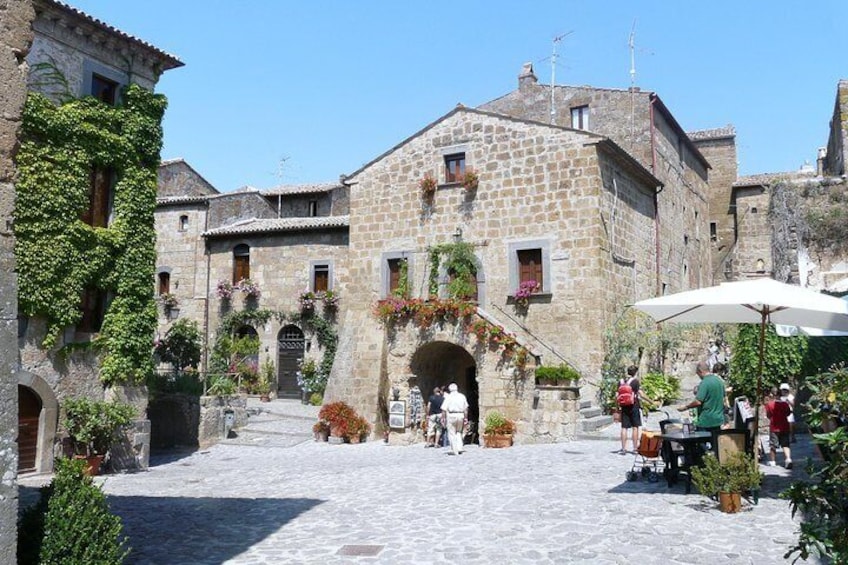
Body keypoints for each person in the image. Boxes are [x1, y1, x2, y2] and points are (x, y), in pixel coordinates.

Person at [679, 361, 726, 433]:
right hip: (717, 420)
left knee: (701, 442)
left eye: (698, 374)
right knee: (715, 442)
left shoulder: (705, 382)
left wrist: (686, 407)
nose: (699, 377)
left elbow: (698, 401)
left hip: (706, 421)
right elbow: (723, 398)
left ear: (700, 371)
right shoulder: (719, 381)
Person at [619, 365, 649, 454]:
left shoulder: (621, 381)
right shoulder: (635, 381)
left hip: (624, 406)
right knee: (635, 427)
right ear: (635, 372)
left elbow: (617, 395)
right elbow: (641, 394)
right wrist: (651, 401)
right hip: (634, 405)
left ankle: (623, 448)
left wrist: (617, 407)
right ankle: (635, 448)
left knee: (624, 427)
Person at [766, 387, 793, 469]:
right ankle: (788, 459)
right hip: (785, 426)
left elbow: (768, 415)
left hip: (774, 427)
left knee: (773, 445)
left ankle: (773, 461)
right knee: (785, 444)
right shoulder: (785, 404)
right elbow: (788, 413)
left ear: (772, 394)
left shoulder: (769, 404)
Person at [440, 383, 468, 455]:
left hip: (451, 415)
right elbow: (466, 408)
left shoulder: (448, 397)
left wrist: (443, 418)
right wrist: (466, 418)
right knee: (459, 432)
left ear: (449, 389)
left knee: (452, 433)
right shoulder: (462, 396)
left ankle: (455, 450)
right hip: (460, 415)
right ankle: (460, 447)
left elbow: (444, 409)